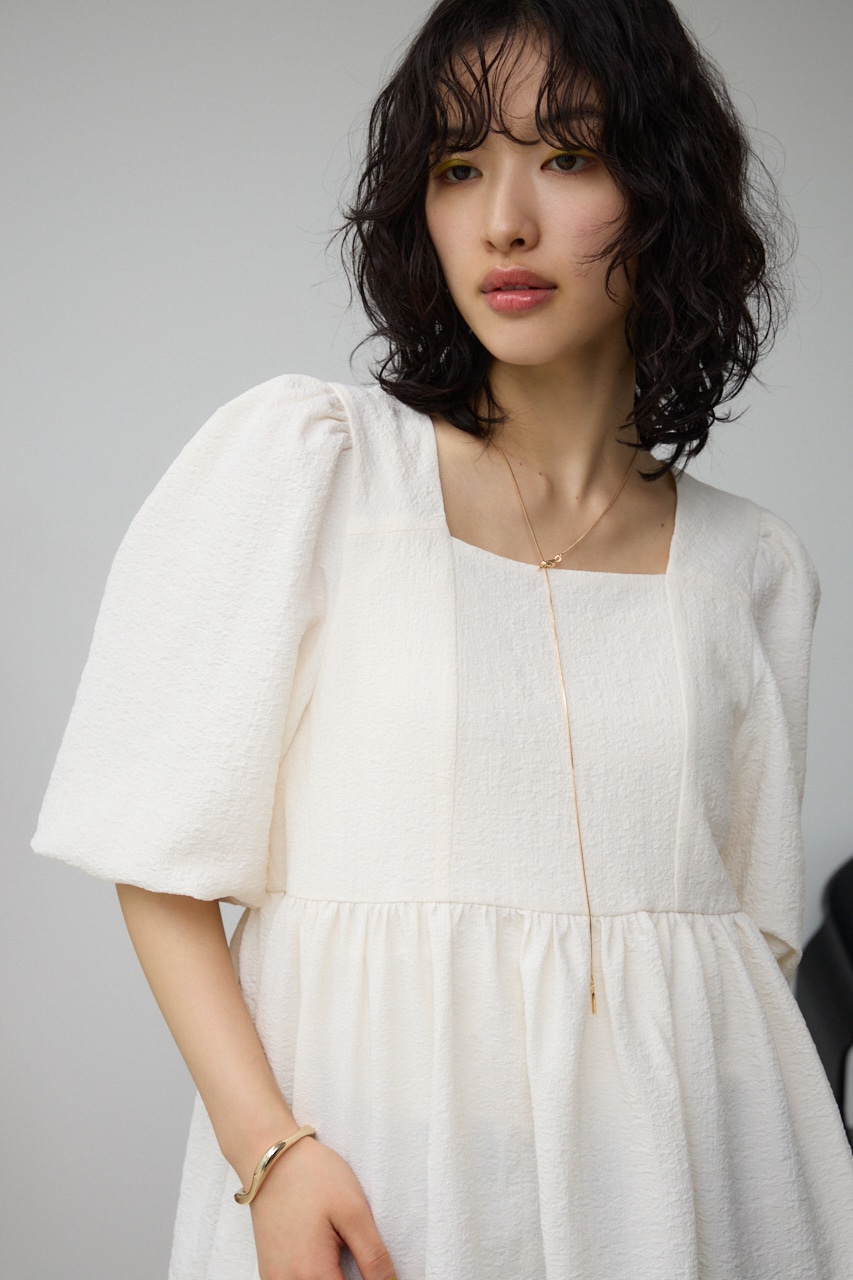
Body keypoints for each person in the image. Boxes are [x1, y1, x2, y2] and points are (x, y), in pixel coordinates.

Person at [31, 0, 853, 1277]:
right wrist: (271, 1155)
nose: (502, 221)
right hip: (379, 1189)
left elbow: (738, 961)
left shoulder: (755, 569)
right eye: (458, 166)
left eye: (567, 156)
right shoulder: (316, 470)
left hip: (692, 1192)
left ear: (666, 193)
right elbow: (156, 855)